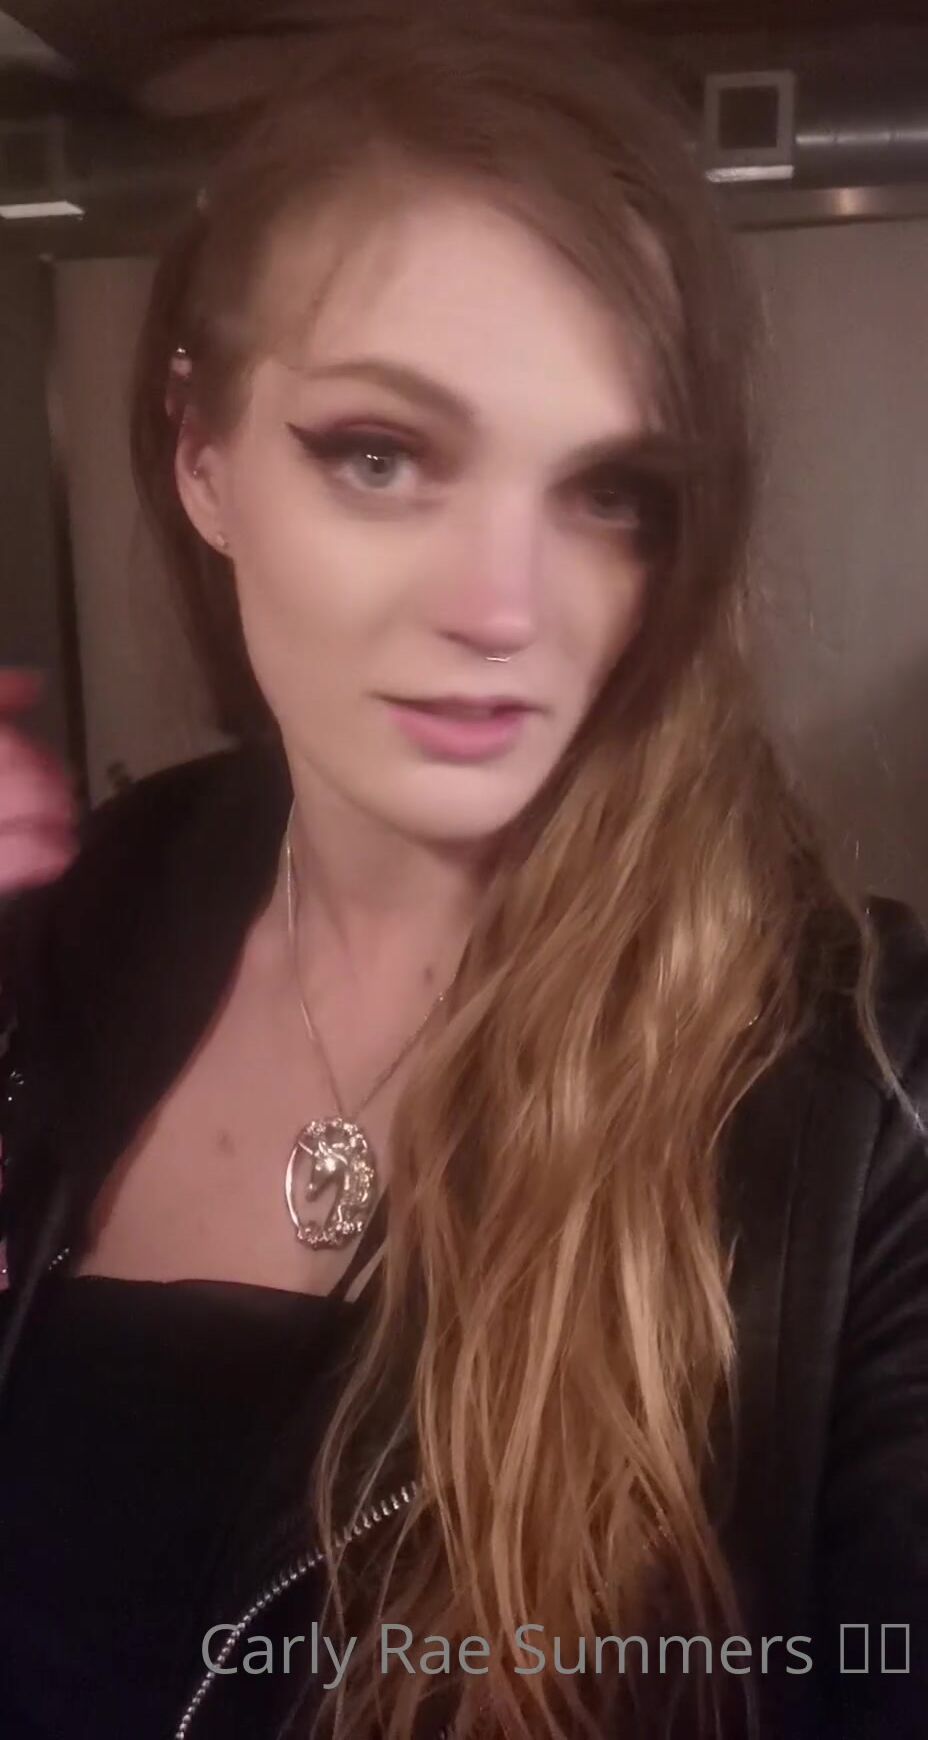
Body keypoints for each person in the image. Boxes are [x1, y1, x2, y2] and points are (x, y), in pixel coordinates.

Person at [0, 3, 926, 1737]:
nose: (502, 608)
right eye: (381, 456)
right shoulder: (81, 925)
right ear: (203, 455)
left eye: (608, 493)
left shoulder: (864, 1101)